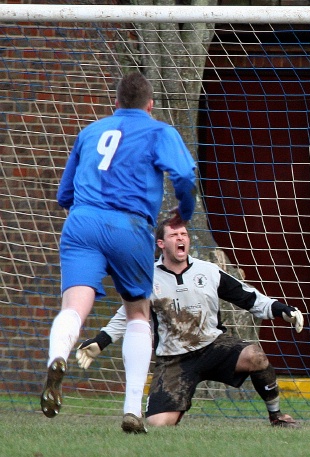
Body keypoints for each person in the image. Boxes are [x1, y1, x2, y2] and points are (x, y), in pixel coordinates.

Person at [43, 72, 197, 434]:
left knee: (73, 307)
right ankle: (131, 409)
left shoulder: (91, 131)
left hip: (82, 222)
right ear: (150, 104)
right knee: (138, 314)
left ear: (116, 103)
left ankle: (57, 356)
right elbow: (185, 175)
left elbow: (64, 194)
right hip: (129, 226)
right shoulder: (160, 131)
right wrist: (183, 212)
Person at [75, 217, 305, 429]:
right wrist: (101, 341)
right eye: (174, 235)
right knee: (157, 425)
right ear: (161, 243)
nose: (181, 238)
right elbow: (126, 315)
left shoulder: (209, 271)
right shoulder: (148, 278)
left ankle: (276, 416)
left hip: (214, 346)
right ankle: (177, 402)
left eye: (183, 234)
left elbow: (249, 297)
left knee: (255, 355)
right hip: (175, 358)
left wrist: (282, 309)